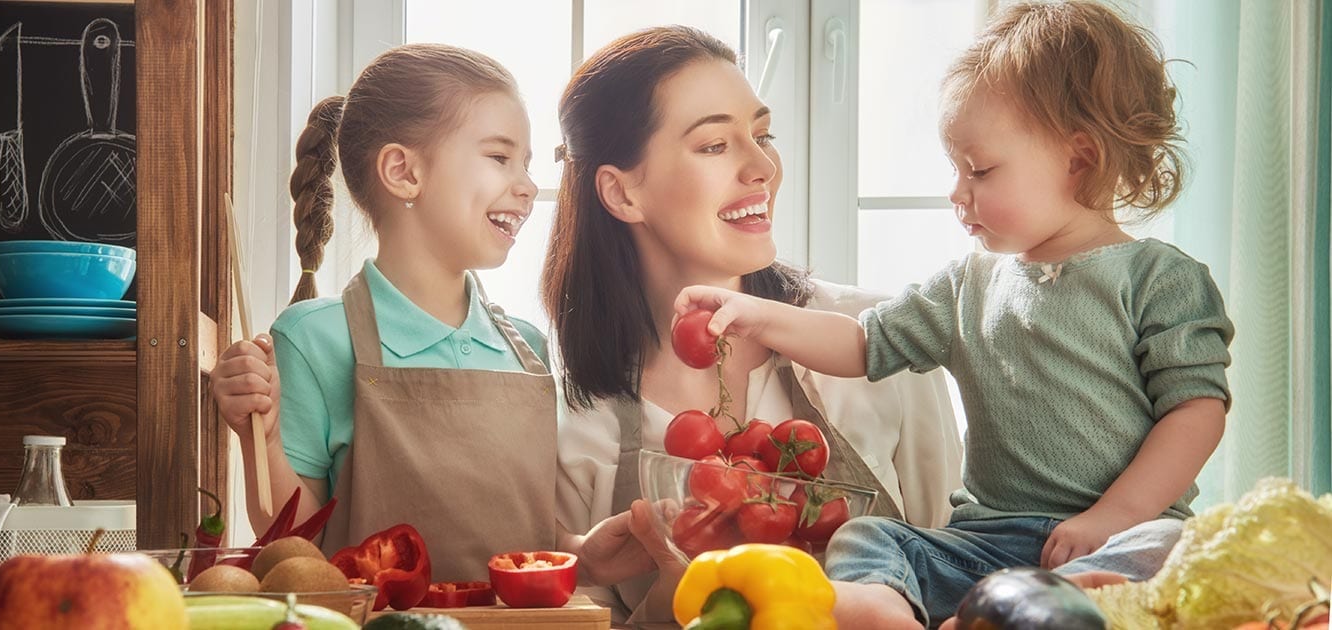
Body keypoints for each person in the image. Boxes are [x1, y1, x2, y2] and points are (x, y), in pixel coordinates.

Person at [675, 2, 1234, 627]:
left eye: (981, 170)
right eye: (955, 169)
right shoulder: (967, 285)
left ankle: (1037, 607)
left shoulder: (1160, 279)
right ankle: (899, 610)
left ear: (1079, 159)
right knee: (869, 539)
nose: (957, 192)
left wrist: (1113, 517)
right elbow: (863, 345)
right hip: (989, 547)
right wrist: (758, 315)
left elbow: (1196, 412)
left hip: (1122, 535)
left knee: (1176, 547)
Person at [543, 25, 965, 624]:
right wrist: (673, 603)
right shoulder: (575, 423)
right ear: (622, 192)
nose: (763, 165)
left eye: (763, 135)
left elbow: (960, 563)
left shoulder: (878, 340)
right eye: (715, 145)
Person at [209, 44, 556, 582]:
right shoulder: (312, 338)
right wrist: (263, 436)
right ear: (403, 171)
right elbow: (298, 542)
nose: (528, 185)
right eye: (499, 157)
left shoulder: (528, 347)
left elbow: (547, 538)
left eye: (528, 164)